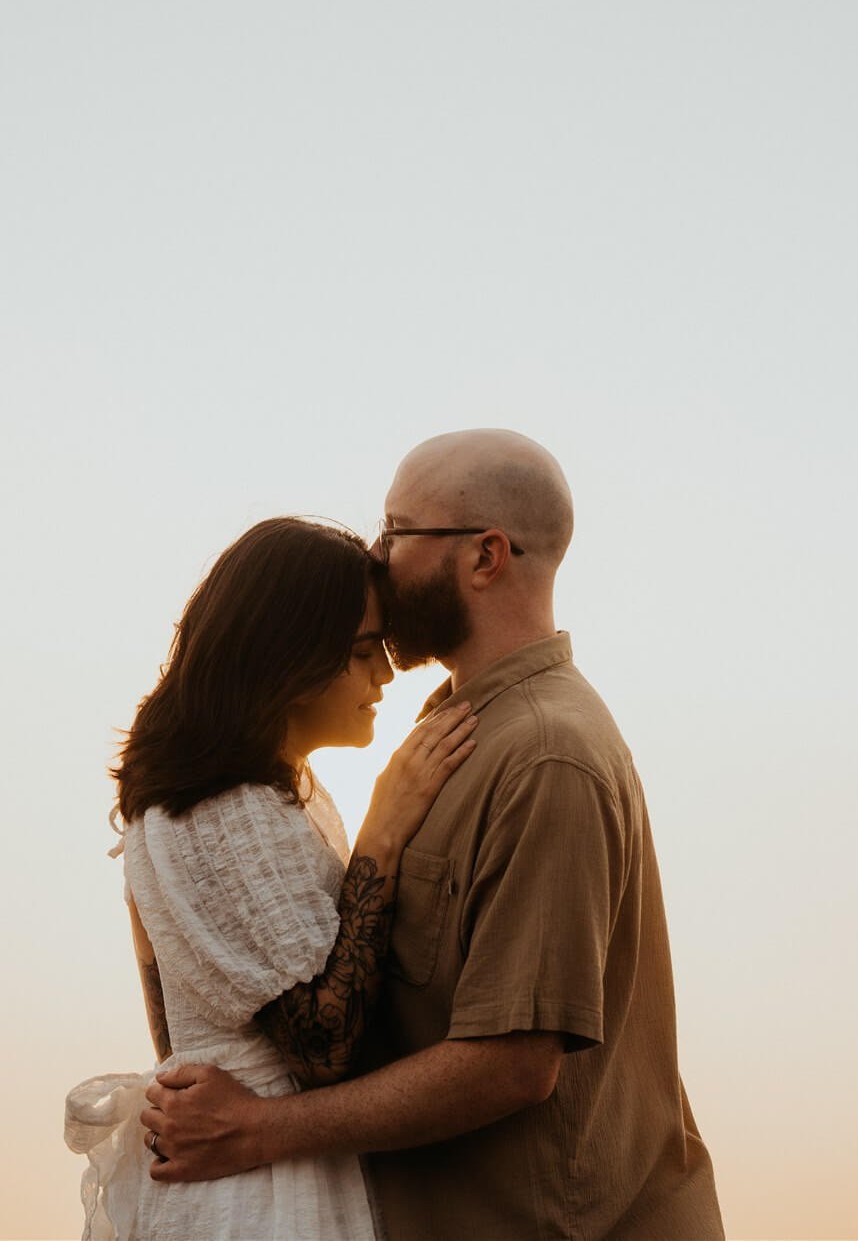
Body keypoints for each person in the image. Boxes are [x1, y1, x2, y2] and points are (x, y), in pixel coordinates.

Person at [141, 430, 725, 1239]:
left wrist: (258, 1129)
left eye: (396, 531)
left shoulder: (548, 753)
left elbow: (514, 1063)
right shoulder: (448, 727)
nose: (375, 558)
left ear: (485, 556)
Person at [64, 516, 481, 1240]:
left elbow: (172, 1027)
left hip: (235, 1162)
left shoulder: (230, 797)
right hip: (261, 1192)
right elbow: (323, 1049)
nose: (383, 673)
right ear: (289, 657)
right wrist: (384, 829)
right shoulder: (232, 809)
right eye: (362, 650)